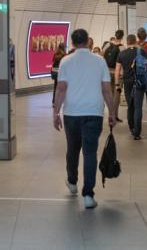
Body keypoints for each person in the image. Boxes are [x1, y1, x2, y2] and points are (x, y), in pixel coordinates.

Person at [53, 29, 116, 209]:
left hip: (72, 113)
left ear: (72, 43)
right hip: (93, 113)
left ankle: (72, 182)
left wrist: (56, 113)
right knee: (90, 153)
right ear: (88, 41)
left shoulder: (66, 61)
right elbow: (106, 89)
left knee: (72, 149)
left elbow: (61, 88)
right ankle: (88, 195)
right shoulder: (100, 61)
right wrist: (111, 112)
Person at [115, 34, 147, 140]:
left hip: (127, 82)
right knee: (138, 107)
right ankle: (137, 133)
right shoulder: (142, 52)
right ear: (135, 41)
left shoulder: (122, 54)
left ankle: (131, 127)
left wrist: (117, 84)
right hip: (139, 82)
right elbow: (146, 66)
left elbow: (117, 70)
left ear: (127, 42)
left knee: (130, 105)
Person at [103, 36, 122, 122]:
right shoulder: (121, 47)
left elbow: (102, 57)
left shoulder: (106, 47)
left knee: (110, 94)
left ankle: (110, 114)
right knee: (116, 95)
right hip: (116, 72)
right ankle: (115, 115)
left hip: (108, 72)